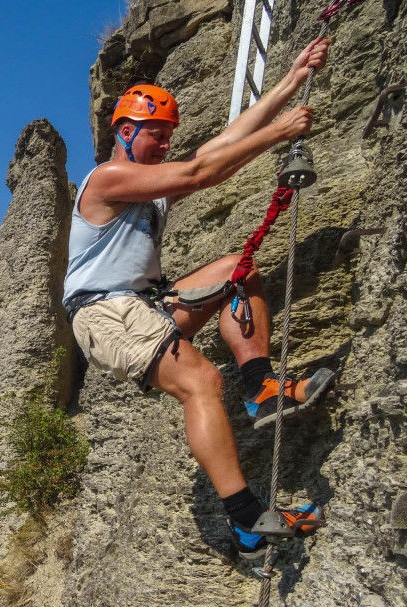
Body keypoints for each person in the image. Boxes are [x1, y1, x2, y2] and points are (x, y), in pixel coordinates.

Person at [62, 37, 335, 559]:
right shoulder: (108, 177)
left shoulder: (148, 180)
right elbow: (199, 172)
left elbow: (218, 145)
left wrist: (292, 79)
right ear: (125, 132)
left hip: (139, 306)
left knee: (239, 268)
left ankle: (261, 387)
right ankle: (248, 522)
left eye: (169, 137)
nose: (166, 145)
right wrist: (281, 134)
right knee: (202, 381)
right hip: (104, 312)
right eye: (156, 136)